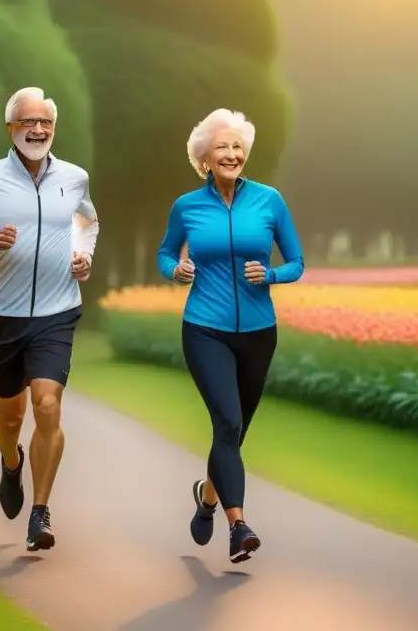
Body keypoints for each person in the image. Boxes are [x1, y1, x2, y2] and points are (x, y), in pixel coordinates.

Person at [0, 86, 98, 552]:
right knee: (9, 418)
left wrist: (83, 255)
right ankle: (10, 462)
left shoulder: (74, 178)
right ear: (10, 129)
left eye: (45, 123)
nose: (38, 130)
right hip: (1, 317)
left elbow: (87, 222)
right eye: (28, 123)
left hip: (57, 311)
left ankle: (40, 511)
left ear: (54, 128)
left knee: (47, 405)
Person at [157, 108, 304, 563]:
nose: (232, 153)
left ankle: (207, 496)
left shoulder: (269, 200)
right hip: (205, 329)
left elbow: (297, 262)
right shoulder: (187, 207)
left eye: (238, 146)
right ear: (204, 157)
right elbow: (165, 253)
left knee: (233, 434)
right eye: (222, 147)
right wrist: (176, 270)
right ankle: (239, 527)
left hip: (260, 333)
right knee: (228, 422)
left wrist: (273, 275)